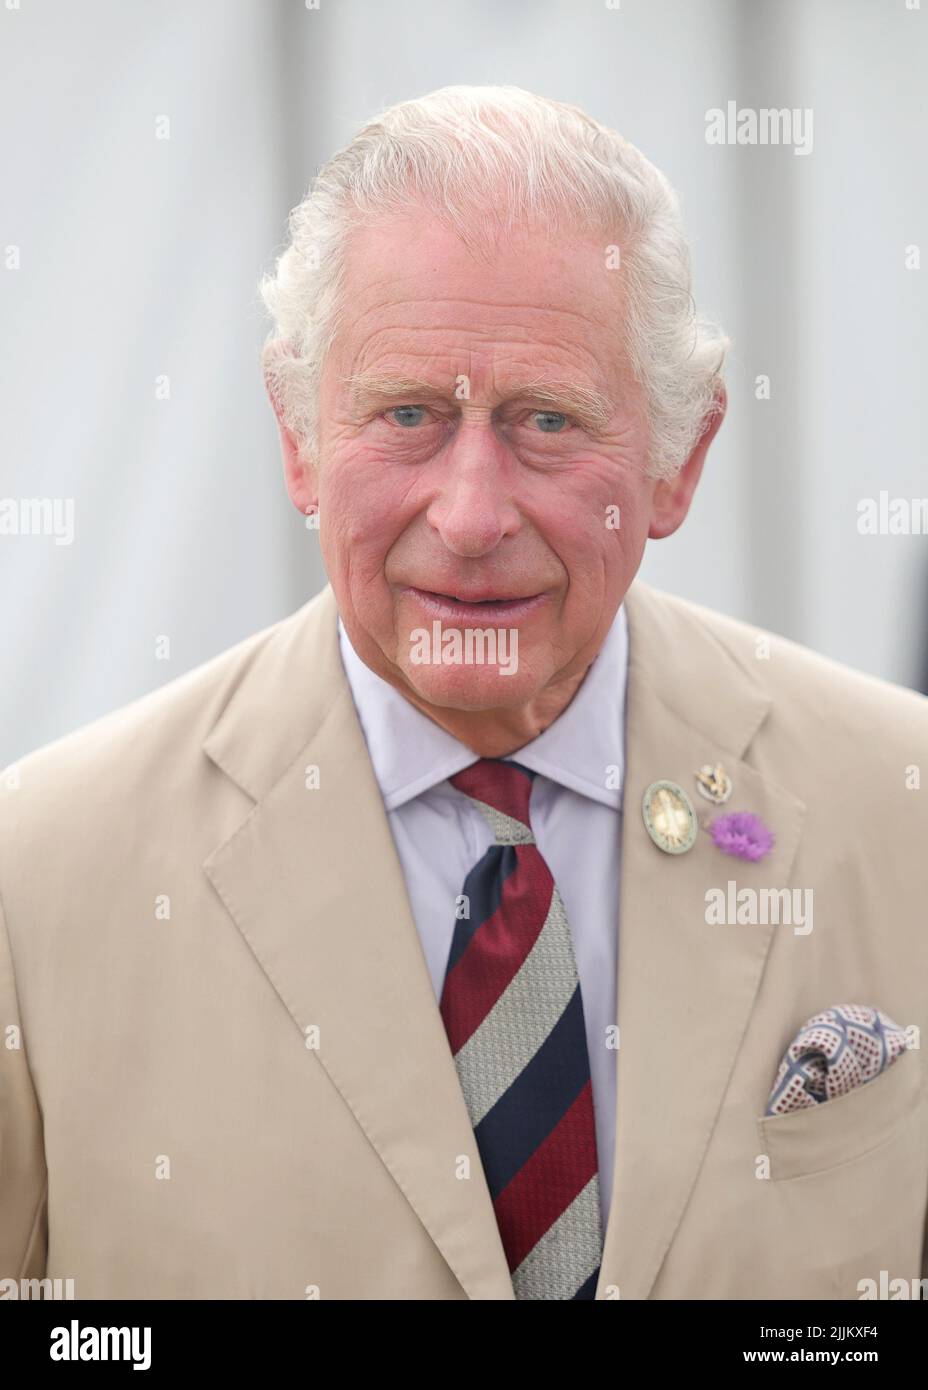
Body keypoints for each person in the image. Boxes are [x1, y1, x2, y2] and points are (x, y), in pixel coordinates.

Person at [1, 85, 926, 1302]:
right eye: (407, 416)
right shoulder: (40, 877)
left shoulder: (897, 809)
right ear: (298, 439)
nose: (472, 514)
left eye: (548, 421)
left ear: (678, 458)